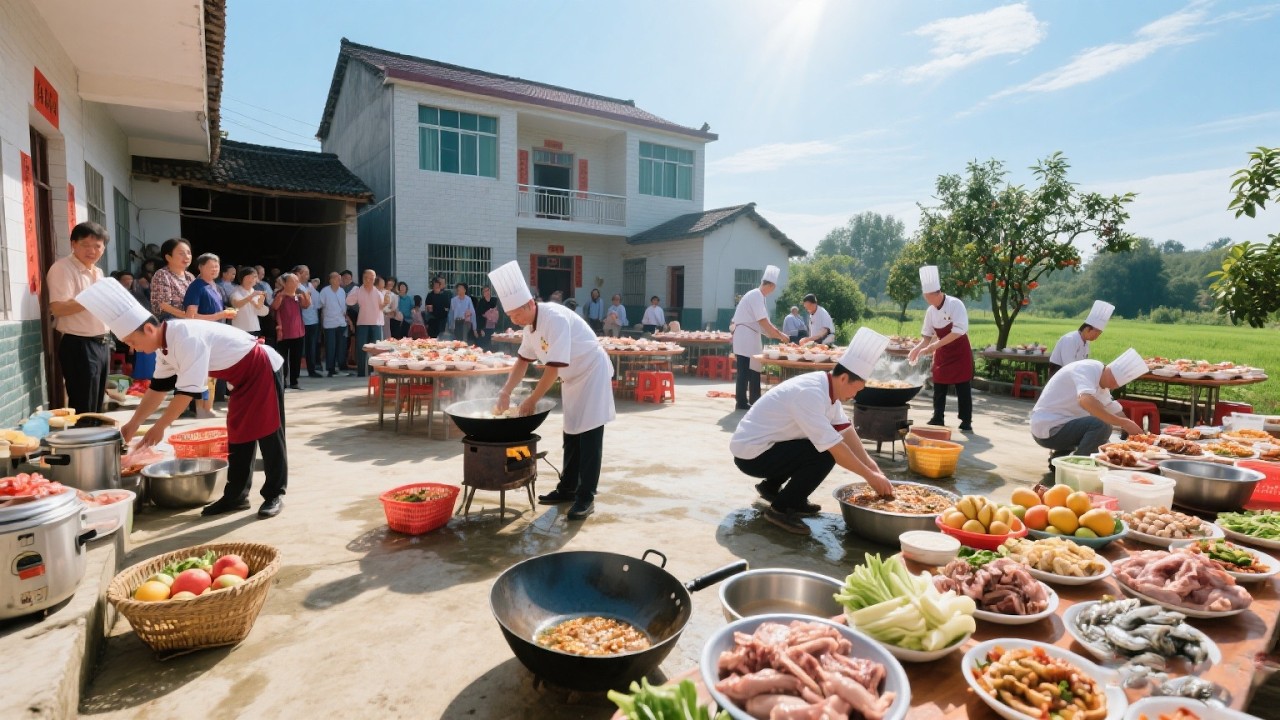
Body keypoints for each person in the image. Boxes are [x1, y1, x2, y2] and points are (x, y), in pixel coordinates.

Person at [77, 279, 288, 518]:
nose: (133, 348)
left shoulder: (185, 336)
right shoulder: (163, 347)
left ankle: (274, 494)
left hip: (260, 368)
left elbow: (187, 393)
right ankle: (236, 495)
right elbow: (158, 389)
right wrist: (133, 424)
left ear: (148, 329)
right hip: (240, 377)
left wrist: (159, 427)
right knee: (239, 433)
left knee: (269, 431)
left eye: (132, 342)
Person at [731, 328, 895, 535]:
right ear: (844, 378)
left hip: (766, 447)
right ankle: (780, 509)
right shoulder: (810, 393)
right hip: (751, 455)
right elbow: (837, 447)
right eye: (856, 389)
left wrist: (873, 468)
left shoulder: (827, 387)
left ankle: (772, 489)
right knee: (824, 454)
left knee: (816, 446)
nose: (854, 396)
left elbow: (845, 431)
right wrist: (870, 477)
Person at [490, 261, 614, 521]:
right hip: (573, 379)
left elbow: (553, 368)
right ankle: (568, 488)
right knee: (571, 432)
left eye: (516, 314)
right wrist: (505, 391)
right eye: (510, 316)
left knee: (590, 435)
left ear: (529, 304)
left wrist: (531, 401)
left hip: (591, 372)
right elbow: (523, 361)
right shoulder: (529, 327)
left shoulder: (554, 318)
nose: (514, 320)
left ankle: (586, 497)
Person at [1030, 350, 1148, 471]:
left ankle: (1062, 458)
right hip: (1049, 428)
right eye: (1115, 382)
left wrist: (1137, 434)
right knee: (1102, 426)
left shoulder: (1101, 381)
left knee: (1105, 444)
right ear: (1110, 371)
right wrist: (1123, 423)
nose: (1114, 386)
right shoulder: (1087, 369)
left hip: (1062, 426)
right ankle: (1075, 469)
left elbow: (1111, 407)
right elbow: (1085, 400)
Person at [47, 222, 112, 414]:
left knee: (97, 404)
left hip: (102, 343)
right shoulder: (63, 268)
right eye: (86, 245)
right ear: (73, 244)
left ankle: (95, 442)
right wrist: (91, 298)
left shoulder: (98, 272)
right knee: (84, 405)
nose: (92, 251)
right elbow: (58, 308)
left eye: (97, 246)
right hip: (79, 345)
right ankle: (83, 442)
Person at [908, 266, 974, 433]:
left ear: (936, 293)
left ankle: (966, 420)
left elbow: (958, 331)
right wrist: (916, 349)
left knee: (963, 387)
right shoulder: (930, 311)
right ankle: (938, 416)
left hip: (959, 351)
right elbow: (926, 337)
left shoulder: (955, 304)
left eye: (927, 296)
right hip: (943, 352)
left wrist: (933, 347)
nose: (926, 299)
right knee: (939, 385)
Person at [731, 266, 790, 410]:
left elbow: (765, 325)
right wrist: (780, 335)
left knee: (754, 369)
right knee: (744, 370)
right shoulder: (756, 295)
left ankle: (754, 399)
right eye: (773, 288)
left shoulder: (759, 297)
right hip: (745, 336)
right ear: (770, 285)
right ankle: (741, 401)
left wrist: (776, 335)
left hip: (751, 335)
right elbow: (763, 321)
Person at [1049, 301, 1114, 374]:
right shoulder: (1070, 339)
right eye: (1096, 333)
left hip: (1074, 375)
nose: (1097, 336)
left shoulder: (1086, 343)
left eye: (1099, 334)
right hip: (1059, 375)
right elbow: (1068, 366)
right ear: (1087, 329)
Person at [271, 273, 310, 390]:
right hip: (284, 332)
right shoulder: (280, 294)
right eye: (293, 281)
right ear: (285, 283)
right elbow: (274, 307)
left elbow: (306, 306)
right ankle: (282, 381)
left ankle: (294, 381)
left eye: (297, 281)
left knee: (296, 357)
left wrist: (305, 297)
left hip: (298, 331)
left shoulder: (298, 294)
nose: (296, 283)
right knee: (282, 358)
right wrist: (281, 296)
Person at [347, 269, 385, 377]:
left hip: (376, 323)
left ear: (374, 279)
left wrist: (386, 302)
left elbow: (382, 307)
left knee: (376, 349)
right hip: (362, 323)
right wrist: (355, 290)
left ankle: (374, 372)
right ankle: (361, 372)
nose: (368, 280)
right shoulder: (358, 290)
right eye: (366, 278)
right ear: (363, 278)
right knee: (361, 348)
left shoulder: (378, 292)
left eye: (371, 279)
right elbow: (349, 301)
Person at [318, 272, 354, 376]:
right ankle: (330, 369)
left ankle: (342, 366)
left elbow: (344, 308)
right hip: (329, 323)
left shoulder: (342, 291)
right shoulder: (325, 291)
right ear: (331, 280)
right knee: (330, 346)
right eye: (337, 279)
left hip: (341, 322)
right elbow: (320, 306)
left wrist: (348, 321)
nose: (340, 281)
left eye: (340, 279)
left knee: (341, 346)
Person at [293, 266, 323, 378]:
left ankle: (312, 369)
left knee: (312, 346)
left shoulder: (310, 285)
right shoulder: (295, 286)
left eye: (308, 273)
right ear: (298, 274)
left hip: (313, 320)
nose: (307, 276)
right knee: (299, 347)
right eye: (305, 273)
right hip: (301, 320)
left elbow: (318, 302)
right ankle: (294, 372)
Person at [229, 266, 268, 336]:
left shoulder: (255, 292)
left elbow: (261, 312)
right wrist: (251, 297)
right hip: (240, 328)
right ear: (246, 278)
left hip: (254, 327)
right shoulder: (236, 291)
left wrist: (261, 302)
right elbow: (236, 304)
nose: (256, 279)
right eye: (254, 276)